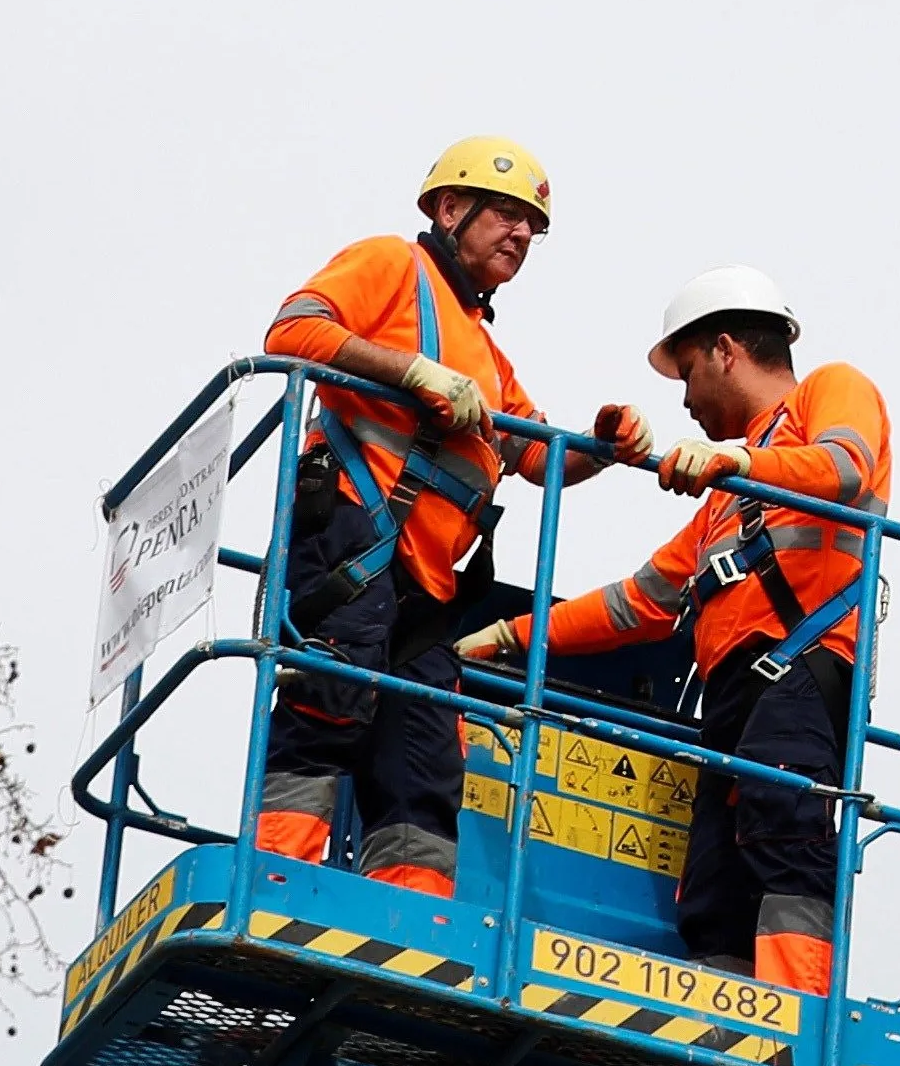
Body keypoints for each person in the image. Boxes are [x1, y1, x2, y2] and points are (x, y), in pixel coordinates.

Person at [462, 268, 889, 996]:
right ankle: (726, 1044)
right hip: (733, 701)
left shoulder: (830, 391)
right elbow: (639, 603)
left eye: (688, 372)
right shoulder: (723, 507)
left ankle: (794, 1024)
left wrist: (739, 461)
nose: (685, 400)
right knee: (716, 880)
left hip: (802, 674)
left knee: (785, 832)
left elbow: (846, 469)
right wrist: (508, 636)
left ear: (726, 349)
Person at [254, 137, 643, 895]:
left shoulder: (489, 360)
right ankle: (275, 890)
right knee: (327, 711)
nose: (522, 235)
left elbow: (541, 461)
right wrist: (410, 370)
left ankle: (411, 925)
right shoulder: (392, 266)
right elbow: (291, 331)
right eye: (506, 214)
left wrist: (607, 446)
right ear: (450, 206)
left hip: (426, 595)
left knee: (424, 767)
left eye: (533, 226)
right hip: (350, 545)